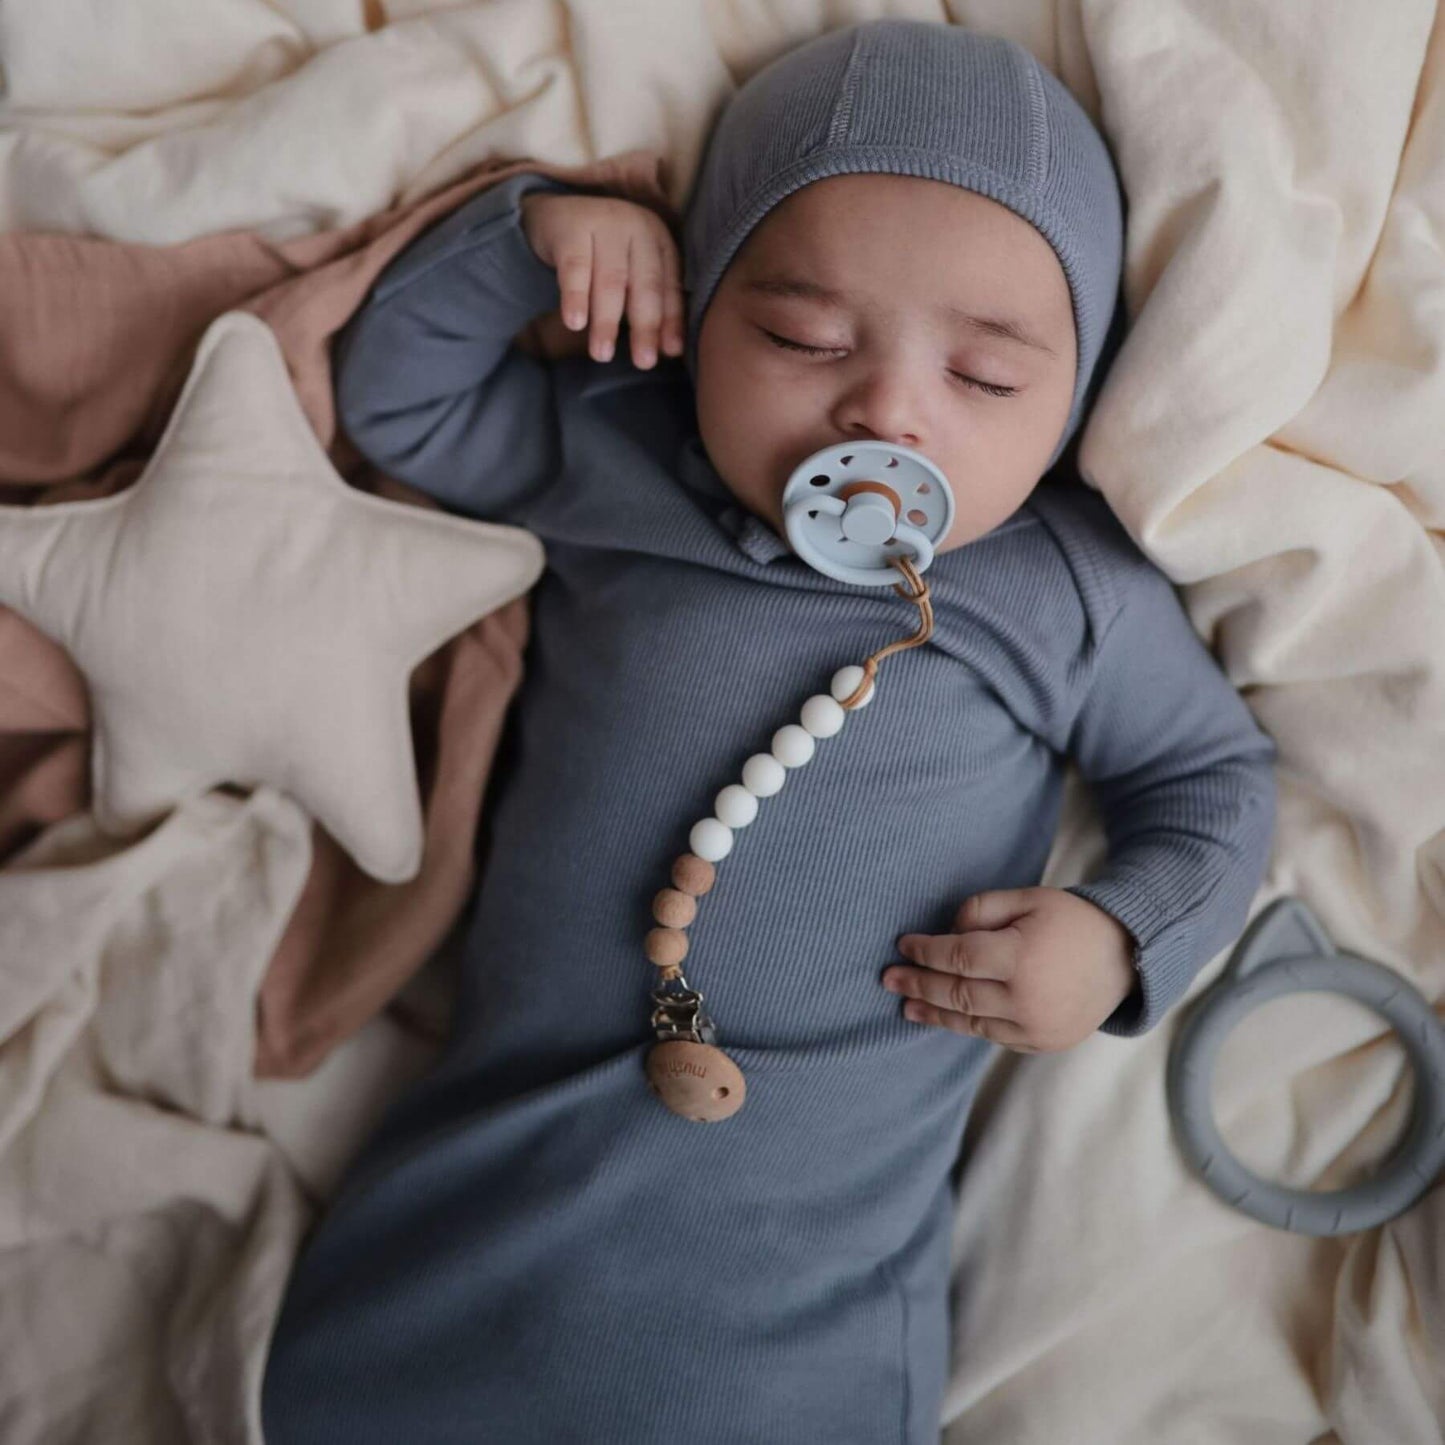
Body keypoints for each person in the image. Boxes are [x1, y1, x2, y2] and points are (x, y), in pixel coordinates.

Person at [261, 20, 1276, 1443]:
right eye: (802, 337)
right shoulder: (625, 455)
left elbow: (1212, 777)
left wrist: (1119, 942)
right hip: (473, 1212)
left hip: (800, 1307)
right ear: (700, 311)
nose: (884, 411)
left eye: (984, 379)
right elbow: (401, 398)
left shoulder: (1056, 587)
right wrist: (539, 237)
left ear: (1073, 399)